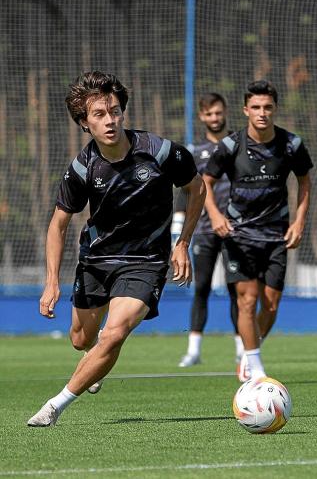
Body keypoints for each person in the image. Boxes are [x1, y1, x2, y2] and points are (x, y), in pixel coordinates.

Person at [27, 71, 206, 427]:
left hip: (146, 262)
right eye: (99, 114)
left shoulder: (160, 151)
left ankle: (55, 406)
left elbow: (197, 188)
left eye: (114, 111)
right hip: (96, 260)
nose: (109, 120)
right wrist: (51, 282)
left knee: (114, 333)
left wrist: (182, 241)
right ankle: (96, 364)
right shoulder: (82, 168)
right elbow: (58, 224)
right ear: (84, 122)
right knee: (82, 341)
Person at [203, 80, 313, 381]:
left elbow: (304, 181)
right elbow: (205, 183)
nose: (262, 113)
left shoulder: (291, 145)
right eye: (256, 107)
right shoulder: (230, 146)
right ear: (245, 110)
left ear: (274, 109)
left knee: (271, 303)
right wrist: (214, 215)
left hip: (277, 235)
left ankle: (252, 350)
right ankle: (254, 365)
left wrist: (299, 221)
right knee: (247, 300)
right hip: (239, 236)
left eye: (267, 107)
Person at [174, 93, 243, 368]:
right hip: (203, 229)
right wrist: (177, 233)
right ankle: (194, 351)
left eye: (218, 112)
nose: (214, 118)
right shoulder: (193, 152)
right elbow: (184, 194)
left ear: (225, 112)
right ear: (202, 117)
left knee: (237, 288)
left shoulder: (238, 146)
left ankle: (242, 349)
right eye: (209, 114)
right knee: (200, 287)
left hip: (235, 230)